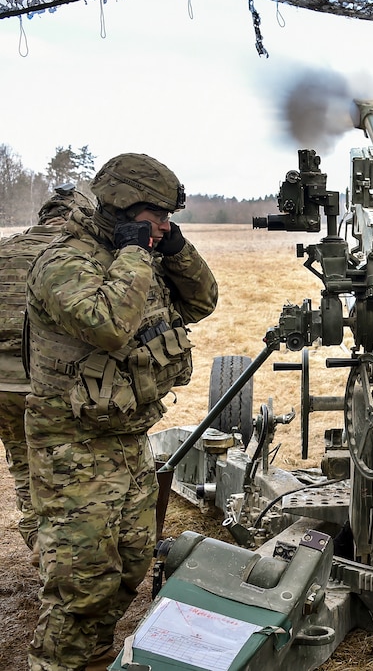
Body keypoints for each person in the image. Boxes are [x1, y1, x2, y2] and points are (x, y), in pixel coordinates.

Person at [24, 153, 218, 671]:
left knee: (130, 565)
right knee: (81, 586)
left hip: (129, 441)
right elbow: (110, 325)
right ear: (121, 208)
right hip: (73, 447)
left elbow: (203, 302)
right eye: (157, 217)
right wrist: (136, 251)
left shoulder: (140, 254)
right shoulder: (64, 263)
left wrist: (173, 248)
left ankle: (94, 657)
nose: (164, 226)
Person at [0, 185, 95, 553]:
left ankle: (35, 531)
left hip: (3, 387)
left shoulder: (6, 249)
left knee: (23, 463)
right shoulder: (73, 255)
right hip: (50, 385)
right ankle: (59, 554)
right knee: (67, 473)